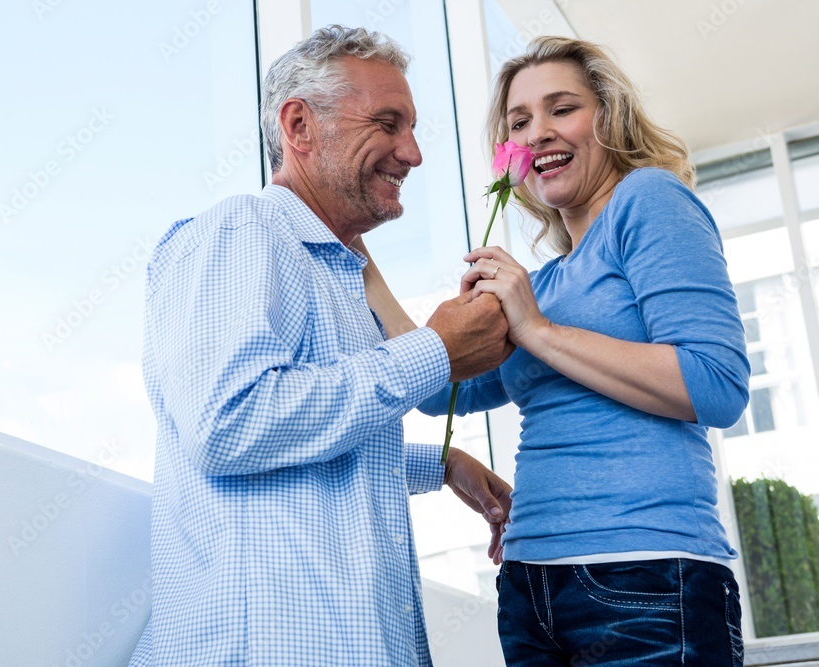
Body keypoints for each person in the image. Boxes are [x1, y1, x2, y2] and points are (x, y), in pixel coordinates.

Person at [127, 25, 514, 667]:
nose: (412, 153)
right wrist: (437, 352)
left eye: (412, 128)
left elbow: (308, 440)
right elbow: (228, 425)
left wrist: (439, 466)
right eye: (388, 123)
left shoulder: (335, 275)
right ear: (299, 126)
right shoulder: (238, 231)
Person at [363, 36, 750, 665]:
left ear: (609, 116)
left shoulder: (646, 200)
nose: (537, 132)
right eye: (519, 122)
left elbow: (715, 384)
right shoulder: (540, 286)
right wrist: (358, 256)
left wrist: (537, 329)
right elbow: (438, 390)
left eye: (561, 109)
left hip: (646, 577)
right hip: (529, 586)